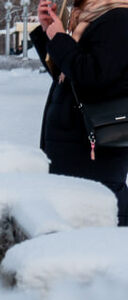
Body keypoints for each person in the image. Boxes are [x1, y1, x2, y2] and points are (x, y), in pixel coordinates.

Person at [32, 0, 128, 225]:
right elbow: (69, 78)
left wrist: (59, 39)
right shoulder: (93, 18)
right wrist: (48, 33)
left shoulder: (119, 19)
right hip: (77, 141)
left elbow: (93, 77)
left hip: (95, 144)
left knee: (98, 214)